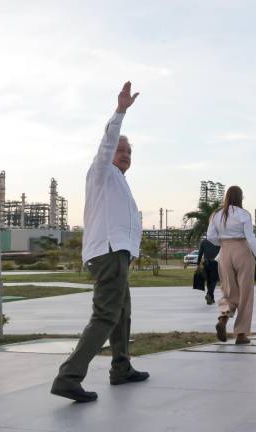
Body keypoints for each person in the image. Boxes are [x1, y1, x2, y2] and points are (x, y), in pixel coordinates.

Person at [51, 82, 147, 403]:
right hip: (107, 254)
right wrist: (120, 111)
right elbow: (107, 144)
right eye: (122, 150)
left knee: (123, 313)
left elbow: (127, 222)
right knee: (106, 315)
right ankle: (69, 377)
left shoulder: (120, 182)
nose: (125, 155)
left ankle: (121, 368)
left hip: (117, 254)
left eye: (129, 152)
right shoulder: (102, 171)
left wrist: (131, 252)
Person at [207, 186, 256, 344]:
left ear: (227, 197)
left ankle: (223, 319)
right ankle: (241, 334)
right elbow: (251, 239)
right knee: (245, 295)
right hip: (242, 251)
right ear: (241, 197)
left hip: (224, 252)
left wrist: (224, 243)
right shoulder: (244, 214)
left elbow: (210, 237)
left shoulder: (216, 215)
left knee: (229, 291)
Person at [197, 238, 220, 304]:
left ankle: (211, 298)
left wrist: (198, 264)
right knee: (214, 280)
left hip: (206, 263)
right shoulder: (218, 240)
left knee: (209, 280)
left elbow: (200, 253)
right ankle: (209, 294)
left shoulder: (203, 241)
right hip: (215, 262)